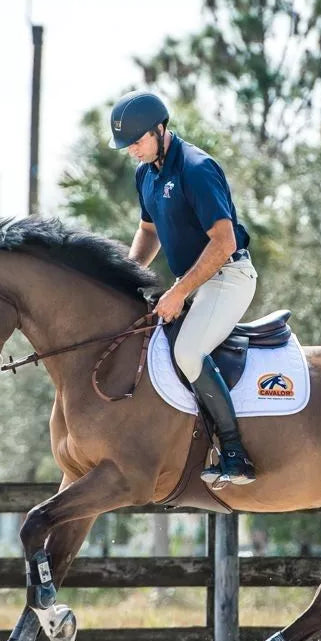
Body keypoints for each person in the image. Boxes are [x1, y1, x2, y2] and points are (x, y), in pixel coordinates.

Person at [109, 89, 258, 488]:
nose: (131, 151)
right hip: (193, 282)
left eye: (136, 141)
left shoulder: (197, 168)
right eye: (127, 145)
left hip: (228, 276)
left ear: (161, 130)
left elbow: (223, 243)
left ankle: (234, 453)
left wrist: (178, 293)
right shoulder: (146, 173)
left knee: (189, 352)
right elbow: (148, 230)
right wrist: (126, 272)